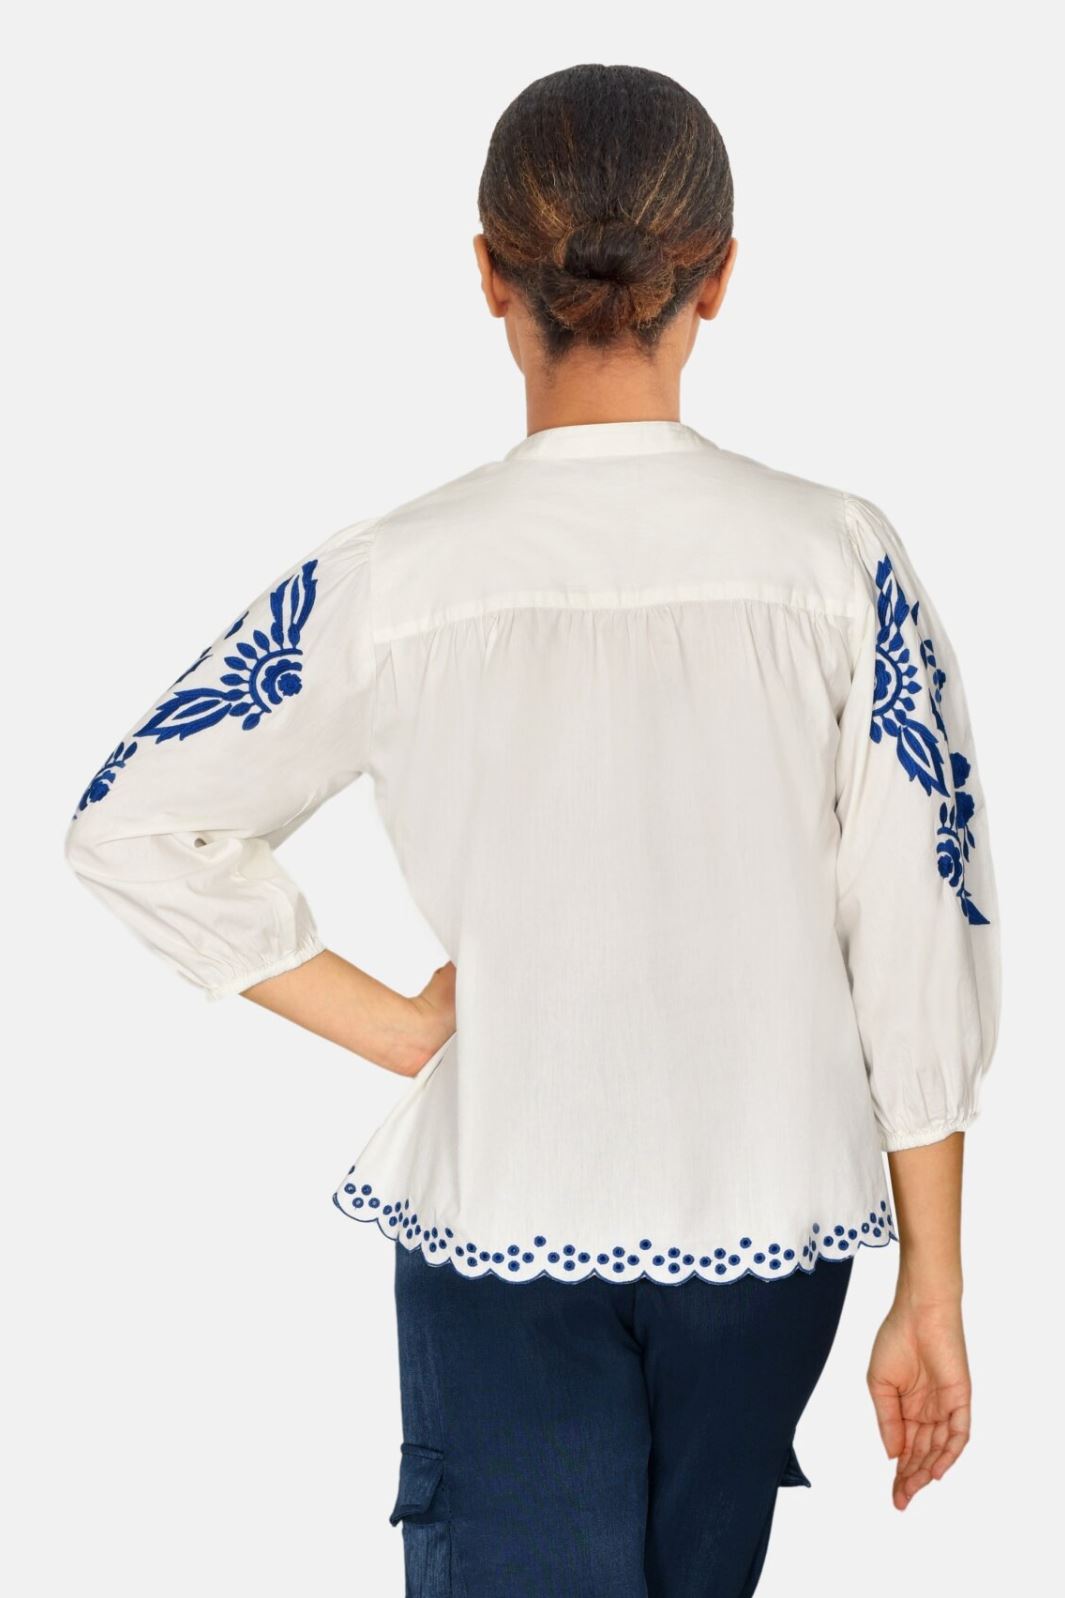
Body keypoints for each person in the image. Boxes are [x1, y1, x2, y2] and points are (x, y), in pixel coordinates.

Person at [64, 62, 1000, 1598]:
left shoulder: (397, 574)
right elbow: (915, 926)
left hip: (507, 1201)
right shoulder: (838, 563)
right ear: (718, 276)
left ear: (489, 273)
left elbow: (135, 821)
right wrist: (934, 1283)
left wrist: (392, 1025)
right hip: (769, 1227)